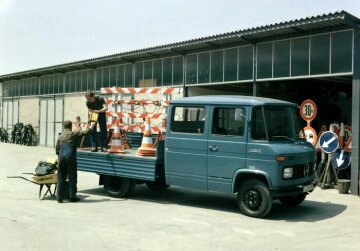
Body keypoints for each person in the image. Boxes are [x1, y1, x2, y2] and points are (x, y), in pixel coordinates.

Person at [55, 120, 95, 203]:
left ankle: (59, 198)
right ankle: (72, 197)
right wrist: (92, 126)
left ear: (64, 127)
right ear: (70, 126)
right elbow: (86, 132)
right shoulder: (73, 134)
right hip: (70, 158)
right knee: (72, 177)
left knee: (61, 177)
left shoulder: (60, 137)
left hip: (61, 158)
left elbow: (57, 151)